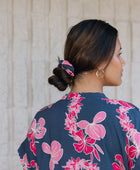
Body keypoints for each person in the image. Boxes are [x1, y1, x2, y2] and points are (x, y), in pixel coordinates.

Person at [18, 19, 140, 170]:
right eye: (118, 54)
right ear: (101, 61)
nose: (123, 62)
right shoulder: (127, 116)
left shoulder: (42, 120)